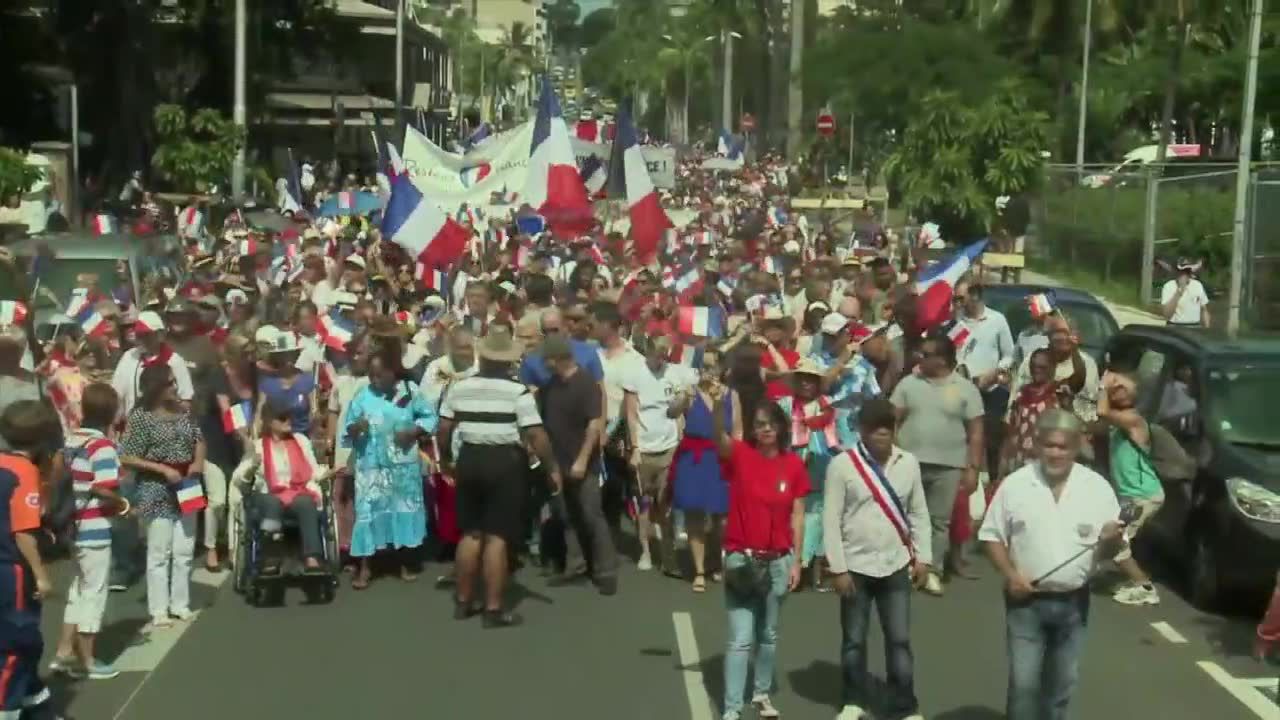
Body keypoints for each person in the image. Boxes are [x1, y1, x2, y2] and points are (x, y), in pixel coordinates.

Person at [978, 409, 1127, 720]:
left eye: (1063, 447)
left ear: (1076, 448)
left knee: (1061, 687)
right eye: (1049, 445)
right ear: (1037, 445)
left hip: (1074, 603)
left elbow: (1112, 549)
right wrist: (1010, 575)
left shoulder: (1097, 488)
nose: (1055, 453)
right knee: (1024, 687)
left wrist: (1112, 538)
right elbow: (991, 537)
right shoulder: (1015, 485)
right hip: (1025, 603)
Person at [437, 326, 561, 628]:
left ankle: (464, 600)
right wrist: (552, 466)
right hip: (504, 462)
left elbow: (444, 427)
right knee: (496, 537)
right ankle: (493, 609)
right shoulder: (517, 391)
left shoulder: (459, 387)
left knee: (470, 533)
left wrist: (447, 459)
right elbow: (536, 434)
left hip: (470, 458)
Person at [825, 398, 931, 720]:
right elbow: (832, 519)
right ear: (862, 430)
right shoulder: (842, 466)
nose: (882, 433)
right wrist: (838, 568)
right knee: (854, 640)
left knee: (899, 640)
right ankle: (853, 699)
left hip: (896, 564)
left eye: (888, 426)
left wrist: (923, 558)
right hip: (855, 566)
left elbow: (918, 512)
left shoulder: (909, 463)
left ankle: (904, 705)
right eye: (875, 427)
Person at [708, 382, 808, 720]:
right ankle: (732, 707)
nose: (764, 429)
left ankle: (761, 694)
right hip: (741, 557)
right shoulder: (740, 455)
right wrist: (717, 406)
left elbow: (798, 513)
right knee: (740, 638)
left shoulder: (794, 465)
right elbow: (717, 439)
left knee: (768, 634)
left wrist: (797, 560)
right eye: (759, 424)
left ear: (781, 428)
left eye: (770, 423)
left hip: (779, 560)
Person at [890, 332, 984, 593]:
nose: (921, 358)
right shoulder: (908, 384)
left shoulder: (966, 389)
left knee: (939, 521)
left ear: (943, 360)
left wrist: (973, 468)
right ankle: (905, 567)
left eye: (927, 354)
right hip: (909, 462)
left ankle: (933, 570)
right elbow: (892, 419)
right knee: (906, 516)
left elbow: (976, 432)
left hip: (949, 465)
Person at [342, 345, 437, 589]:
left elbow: (429, 417)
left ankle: (404, 562)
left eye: (379, 374)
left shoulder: (409, 391)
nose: (374, 379)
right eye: (371, 375)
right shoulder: (362, 396)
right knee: (368, 514)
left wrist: (413, 432)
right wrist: (357, 428)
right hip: (372, 467)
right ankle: (365, 567)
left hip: (402, 467)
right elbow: (347, 430)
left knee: (402, 510)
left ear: (392, 372)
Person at [119, 364, 206, 629]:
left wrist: (198, 462)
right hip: (155, 487)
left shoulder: (184, 413)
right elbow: (127, 455)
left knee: (184, 549)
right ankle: (159, 609)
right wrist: (162, 469)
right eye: (170, 383)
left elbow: (198, 440)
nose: (175, 387)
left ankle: (180, 604)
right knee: (159, 550)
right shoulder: (142, 418)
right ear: (157, 387)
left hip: (187, 484)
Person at [51, 384, 128, 680]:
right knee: (94, 593)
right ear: (111, 412)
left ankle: (63, 654)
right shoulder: (103, 446)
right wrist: (123, 504)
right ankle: (89, 659)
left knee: (77, 590)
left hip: (72, 524)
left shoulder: (73, 438)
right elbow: (103, 486)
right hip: (94, 526)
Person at [540, 336, 618, 595]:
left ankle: (606, 572)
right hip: (558, 461)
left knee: (592, 515)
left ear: (558, 358)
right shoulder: (551, 385)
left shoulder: (585, 384)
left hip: (582, 462)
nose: (544, 364)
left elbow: (594, 425)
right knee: (568, 516)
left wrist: (583, 459)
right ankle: (575, 566)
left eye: (547, 359)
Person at [0, 400, 60, 719]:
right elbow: (24, 532)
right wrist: (41, 575)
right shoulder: (24, 472)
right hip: (13, 569)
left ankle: (38, 706)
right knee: (18, 642)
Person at [669, 348, 740, 590]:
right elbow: (672, 412)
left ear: (722, 370)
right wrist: (682, 397)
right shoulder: (691, 393)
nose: (706, 372)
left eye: (711, 366)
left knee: (723, 518)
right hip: (694, 458)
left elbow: (737, 432)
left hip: (721, 458)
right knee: (694, 514)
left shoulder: (731, 395)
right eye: (703, 366)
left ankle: (716, 561)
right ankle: (699, 568)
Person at [625, 335, 697, 574]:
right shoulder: (634, 373)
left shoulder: (675, 373)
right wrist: (634, 448)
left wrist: (683, 399)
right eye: (657, 354)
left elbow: (676, 410)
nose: (661, 359)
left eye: (664, 355)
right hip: (644, 449)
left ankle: (668, 557)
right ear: (648, 351)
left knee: (665, 504)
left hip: (669, 447)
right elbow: (631, 415)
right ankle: (645, 552)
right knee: (645, 503)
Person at [1097, 372, 1162, 606]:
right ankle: (1137, 580)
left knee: (1117, 542)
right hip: (1130, 495)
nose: (1118, 391)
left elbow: (1102, 411)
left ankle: (1145, 587)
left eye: (1123, 387)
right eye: (1115, 389)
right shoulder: (1116, 425)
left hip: (1143, 494)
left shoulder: (1135, 420)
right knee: (1114, 537)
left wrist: (1103, 386)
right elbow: (1093, 428)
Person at [248, 400, 327, 573]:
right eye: (283, 418)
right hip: (268, 494)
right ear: (270, 422)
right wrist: (251, 466)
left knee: (306, 502)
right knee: (272, 503)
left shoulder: (300, 441)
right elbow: (242, 478)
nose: (288, 421)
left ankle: (311, 557)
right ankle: (271, 556)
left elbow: (313, 470)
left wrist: (327, 473)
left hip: (296, 493)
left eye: (289, 417)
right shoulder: (259, 446)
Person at [110, 311, 195, 418]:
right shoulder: (129, 357)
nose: (141, 340)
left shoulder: (174, 361)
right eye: (139, 335)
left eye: (146, 335)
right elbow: (116, 393)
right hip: (133, 424)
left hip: (165, 426)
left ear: (159, 335)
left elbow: (186, 400)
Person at [1000, 348, 1059, 479]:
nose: (1037, 370)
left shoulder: (1058, 396)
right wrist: (1001, 472)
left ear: (1052, 368)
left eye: (1042, 367)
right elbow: (1010, 433)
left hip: (1045, 465)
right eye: (1033, 366)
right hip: (1019, 464)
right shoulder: (1022, 394)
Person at [1159, 257, 1210, 327]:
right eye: (1182, 271)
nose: (1185, 274)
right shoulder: (1169, 286)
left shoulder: (1198, 285)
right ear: (1177, 272)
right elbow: (1167, 315)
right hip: (1175, 326)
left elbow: (1204, 309)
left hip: (1195, 327)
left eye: (1187, 271)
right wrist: (1179, 292)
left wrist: (1207, 328)